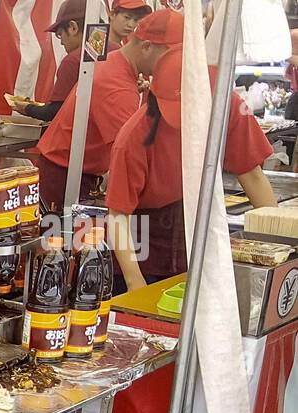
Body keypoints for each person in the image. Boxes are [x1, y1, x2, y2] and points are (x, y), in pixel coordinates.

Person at [107, 46, 278, 293]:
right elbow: (118, 215)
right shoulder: (134, 137)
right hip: (142, 238)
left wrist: (278, 247)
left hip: (197, 230)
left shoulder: (230, 107)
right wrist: (135, 283)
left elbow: (251, 174)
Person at [32, 8, 183, 214]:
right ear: (147, 47)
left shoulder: (116, 63)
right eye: (169, 56)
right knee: (66, 235)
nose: (174, 64)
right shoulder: (117, 87)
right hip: (65, 178)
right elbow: (130, 156)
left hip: (71, 171)